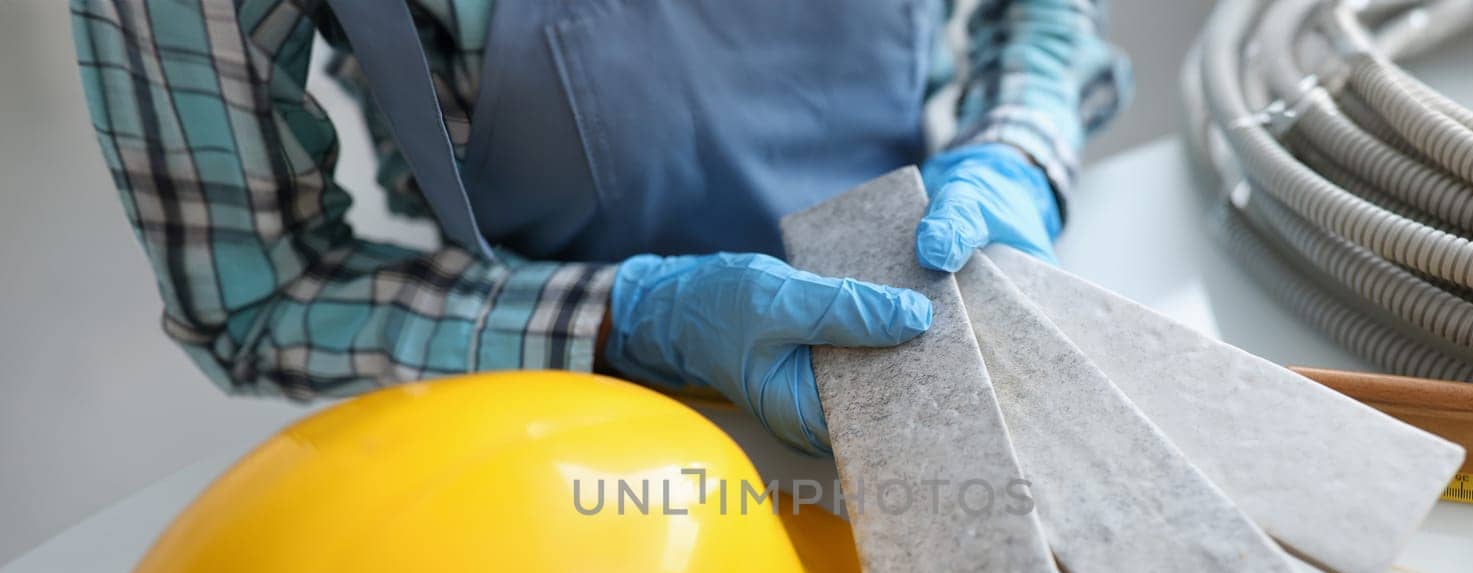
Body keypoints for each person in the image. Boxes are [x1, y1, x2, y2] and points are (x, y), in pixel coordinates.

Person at [71, 0, 1129, 454]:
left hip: (942, 281)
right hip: (569, 432)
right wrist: (636, 317)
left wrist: (1017, 149)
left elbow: (1039, 14)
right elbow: (260, 293)